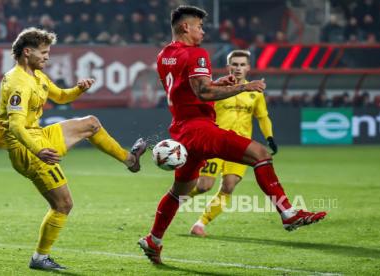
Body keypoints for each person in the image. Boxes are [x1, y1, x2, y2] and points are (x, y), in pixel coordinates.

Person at [138, 6, 326, 264]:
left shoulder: (164, 55)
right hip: (199, 128)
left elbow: (189, 90)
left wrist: (216, 83)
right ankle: (288, 213)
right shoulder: (197, 54)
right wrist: (243, 86)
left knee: (180, 191)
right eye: (199, 27)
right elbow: (202, 93)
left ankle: (154, 240)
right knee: (261, 154)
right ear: (185, 27)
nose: (203, 32)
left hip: (181, 130)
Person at [0, 27, 146, 271]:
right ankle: (40, 257)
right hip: (27, 148)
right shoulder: (17, 83)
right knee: (63, 205)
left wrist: (79, 89)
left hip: (39, 136)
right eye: (43, 52)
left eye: (48, 52)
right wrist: (38, 150)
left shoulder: (37, 76)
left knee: (91, 123)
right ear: (27, 52)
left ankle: (130, 160)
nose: (47, 57)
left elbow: (61, 97)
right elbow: (15, 127)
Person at [188, 49, 278, 237]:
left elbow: (262, 117)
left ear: (248, 67)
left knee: (228, 186)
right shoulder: (217, 89)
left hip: (241, 146)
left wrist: (269, 137)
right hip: (216, 144)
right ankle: (177, 198)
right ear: (228, 67)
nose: (238, 68)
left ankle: (200, 224)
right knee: (204, 185)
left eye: (242, 64)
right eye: (235, 64)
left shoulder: (255, 93)